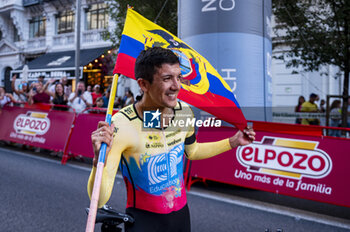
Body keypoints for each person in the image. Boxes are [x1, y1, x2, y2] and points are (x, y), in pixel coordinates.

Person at [88, 47, 256, 232]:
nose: (177, 86)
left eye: (178, 77)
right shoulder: (121, 125)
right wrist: (98, 161)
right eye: (167, 78)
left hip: (181, 218)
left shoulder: (183, 111)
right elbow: (100, 198)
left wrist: (233, 142)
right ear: (143, 85)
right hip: (145, 222)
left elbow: (192, 151)